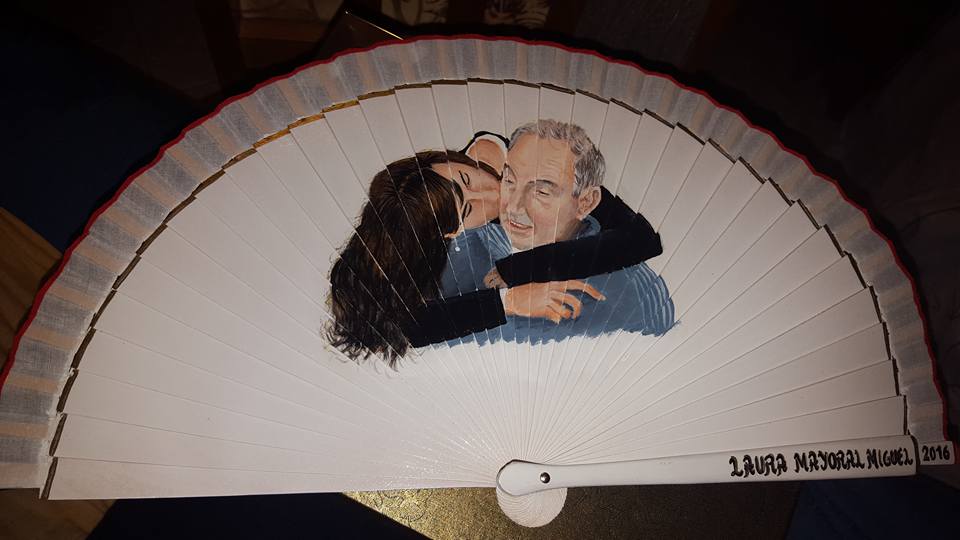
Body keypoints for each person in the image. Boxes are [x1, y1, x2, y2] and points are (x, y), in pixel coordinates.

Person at [436, 120, 674, 345]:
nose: (513, 207)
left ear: (586, 202)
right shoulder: (462, 248)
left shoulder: (628, 292)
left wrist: (527, 267)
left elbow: (643, 239)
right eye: (509, 181)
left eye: (541, 192)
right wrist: (506, 300)